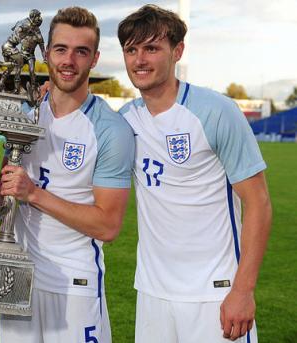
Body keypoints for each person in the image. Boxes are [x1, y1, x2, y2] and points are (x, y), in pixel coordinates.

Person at [0, 7, 135, 342]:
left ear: (94, 58)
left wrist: (34, 194)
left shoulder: (110, 129)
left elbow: (108, 225)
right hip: (18, 280)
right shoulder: (27, 114)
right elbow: (5, 190)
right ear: (46, 53)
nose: (69, 60)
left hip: (74, 286)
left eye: (81, 51)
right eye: (61, 49)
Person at [117, 5, 272, 343]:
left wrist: (243, 291)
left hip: (215, 294)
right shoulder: (125, 120)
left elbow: (258, 204)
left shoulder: (216, 111)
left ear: (178, 51)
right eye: (131, 50)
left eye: (151, 48)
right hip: (152, 294)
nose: (139, 60)